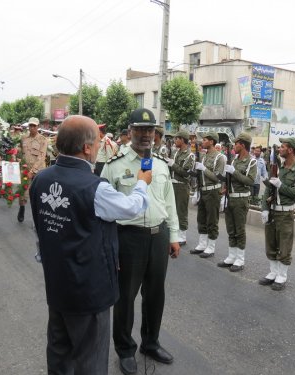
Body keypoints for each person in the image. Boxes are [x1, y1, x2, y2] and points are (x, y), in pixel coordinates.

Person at [30, 115, 151, 375]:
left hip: (57, 285)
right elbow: (131, 207)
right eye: (97, 142)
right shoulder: (94, 188)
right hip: (88, 290)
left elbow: (42, 232)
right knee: (91, 361)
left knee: (59, 353)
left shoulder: (41, 179)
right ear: (86, 147)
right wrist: (142, 182)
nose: (100, 147)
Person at [101, 108, 180, 375]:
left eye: (150, 130)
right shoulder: (115, 166)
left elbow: (169, 201)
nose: (146, 135)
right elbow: (103, 211)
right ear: (130, 132)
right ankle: (125, 350)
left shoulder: (160, 164)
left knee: (155, 295)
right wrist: (109, 246)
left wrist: (175, 235)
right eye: (140, 129)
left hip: (158, 236)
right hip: (128, 238)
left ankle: (150, 342)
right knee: (125, 298)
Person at [259, 137, 295, 290]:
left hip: (285, 214)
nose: (280, 149)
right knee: (270, 243)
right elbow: (268, 189)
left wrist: (281, 186)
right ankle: (273, 272)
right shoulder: (277, 167)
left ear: (291, 150)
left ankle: (282, 275)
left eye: (283, 147)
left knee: (284, 246)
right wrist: (264, 208)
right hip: (272, 211)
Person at [217, 132, 257, 271]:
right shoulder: (234, 160)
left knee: (239, 230)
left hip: (241, 199)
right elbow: (229, 180)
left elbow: (250, 181)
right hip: (230, 197)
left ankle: (240, 259)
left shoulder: (252, 162)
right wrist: (225, 188)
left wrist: (234, 172)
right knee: (231, 228)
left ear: (243, 145)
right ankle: (231, 256)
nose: (234, 146)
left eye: (236, 143)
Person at [190, 131, 225, 258]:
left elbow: (217, 177)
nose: (203, 142)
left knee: (212, 219)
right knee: (201, 218)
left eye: (205, 140)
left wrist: (204, 169)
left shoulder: (219, 157)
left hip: (213, 191)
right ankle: (202, 244)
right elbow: (199, 176)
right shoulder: (204, 157)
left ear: (211, 142)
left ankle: (211, 246)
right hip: (203, 190)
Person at [165, 129, 195, 246]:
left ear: (182, 140)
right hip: (172, 184)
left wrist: (173, 165)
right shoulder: (175, 153)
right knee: (172, 209)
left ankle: (182, 235)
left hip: (182, 186)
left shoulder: (190, 156)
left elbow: (186, 173)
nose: (175, 140)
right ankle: (174, 233)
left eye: (177, 138)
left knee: (181, 210)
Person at [17, 117, 48, 222]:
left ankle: (39, 214)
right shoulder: (23, 138)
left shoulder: (43, 140)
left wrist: (33, 171)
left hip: (38, 171)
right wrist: (17, 157)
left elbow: (41, 157)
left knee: (39, 193)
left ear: (38, 127)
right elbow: (19, 151)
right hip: (25, 169)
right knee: (23, 191)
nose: (32, 128)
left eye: (34, 126)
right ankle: (22, 208)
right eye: (30, 125)